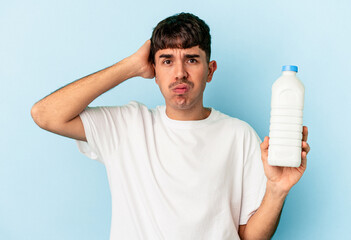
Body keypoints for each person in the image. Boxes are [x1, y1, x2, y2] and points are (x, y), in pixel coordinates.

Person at [31, 12, 310, 240]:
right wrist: (130, 66)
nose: (179, 73)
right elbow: (45, 114)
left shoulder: (239, 135)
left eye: (191, 59)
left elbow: (250, 237)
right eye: (166, 61)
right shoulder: (127, 126)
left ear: (210, 70)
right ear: (152, 69)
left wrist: (278, 190)